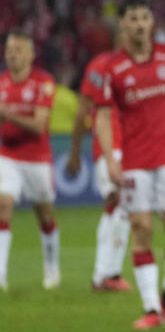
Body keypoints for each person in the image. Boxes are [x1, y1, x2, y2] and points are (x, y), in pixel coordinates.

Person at [94, 0, 165, 329]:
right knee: (140, 229)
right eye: (134, 19)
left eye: (145, 18)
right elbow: (101, 116)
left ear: (151, 22)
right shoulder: (111, 68)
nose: (141, 24)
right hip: (134, 162)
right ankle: (151, 309)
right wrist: (110, 160)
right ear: (123, 25)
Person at [67, 37, 132, 292]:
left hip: (130, 147)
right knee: (119, 201)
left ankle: (105, 274)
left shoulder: (132, 66)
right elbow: (83, 110)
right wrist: (74, 152)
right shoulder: (101, 66)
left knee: (119, 205)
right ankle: (107, 274)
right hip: (109, 146)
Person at [0, 30, 59, 291]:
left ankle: (51, 266)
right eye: (10, 50)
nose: (13, 55)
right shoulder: (1, 82)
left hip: (37, 158)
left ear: (31, 54)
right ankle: (0, 273)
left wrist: (7, 115)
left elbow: (38, 125)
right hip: (7, 155)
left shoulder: (43, 82)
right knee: (3, 207)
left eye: (19, 50)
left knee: (45, 216)